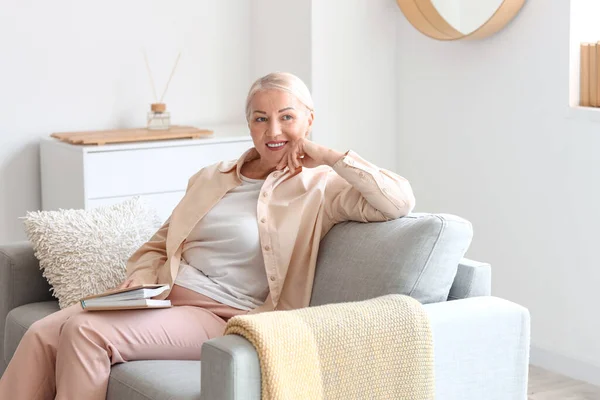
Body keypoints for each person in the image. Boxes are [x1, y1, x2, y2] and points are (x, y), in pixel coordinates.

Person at [0, 72, 416, 399]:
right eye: (260, 118)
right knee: (40, 334)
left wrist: (329, 155)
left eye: (287, 116)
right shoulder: (211, 178)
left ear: (309, 120)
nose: (274, 129)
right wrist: (142, 277)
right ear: (249, 125)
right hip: (159, 296)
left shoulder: (321, 188)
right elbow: (160, 243)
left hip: (222, 314)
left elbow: (397, 202)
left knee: (85, 332)